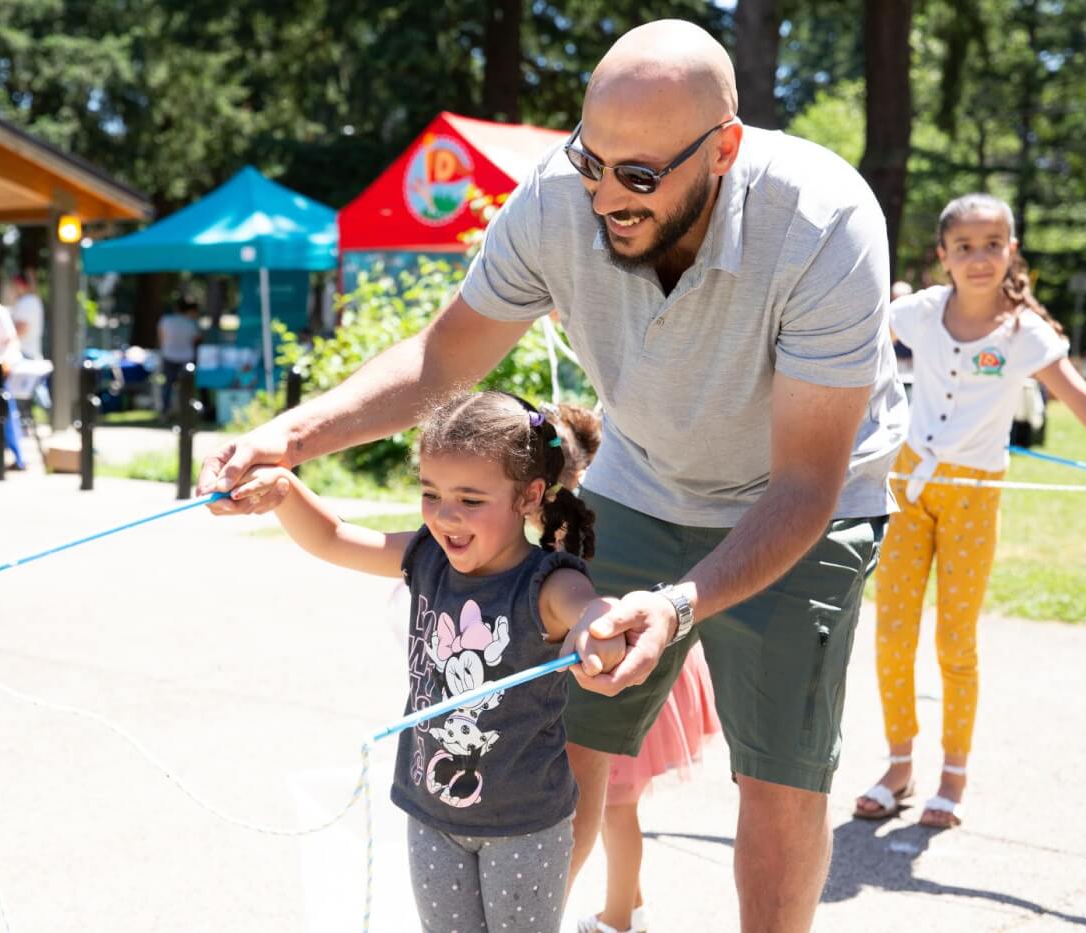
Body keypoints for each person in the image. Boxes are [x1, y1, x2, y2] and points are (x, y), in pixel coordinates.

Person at [199, 20, 906, 931]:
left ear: (724, 149)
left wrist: (681, 602)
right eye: (591, 160)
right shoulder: (553, 204)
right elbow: (445, 356)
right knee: (560, 743)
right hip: (640, 479)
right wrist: (291, 437)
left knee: (777, 776)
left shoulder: (822, 221)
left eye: (641, 175)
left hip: (798, 500)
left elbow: (806, 483)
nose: (608, 196)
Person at [233, 391, 624, 933]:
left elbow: (590, 611)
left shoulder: (548, 583)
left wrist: (599, 631)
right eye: (430, 493)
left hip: (524, 824)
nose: (446, 516)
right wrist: (284, 489)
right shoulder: (427, 559)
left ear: (529, 495)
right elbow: (334, 537)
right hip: (430, 812)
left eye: (470, 499)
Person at [853, 193, 1086, 829]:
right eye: (965, 247)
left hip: (976, 497)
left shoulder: (1026, 334)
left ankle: (953, 774)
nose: (980, 259)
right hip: (907, 488)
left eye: (993, 245)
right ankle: (898, 766)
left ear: (1012, 252)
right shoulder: (915, 313)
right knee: (891, 632)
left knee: (955, 641)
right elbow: (844, 338)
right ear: (942, 255)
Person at [543, 403, 720, 933]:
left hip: (629, 679)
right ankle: (626, 911)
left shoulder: (580, 525)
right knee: (617, 807)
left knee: (612, 807)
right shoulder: (583, 508)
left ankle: (620, 919)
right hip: (626, 671)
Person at [158, 295, 200, 413]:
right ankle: (186, 409)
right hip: (187, 357)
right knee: (187, 386)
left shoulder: (166, 320)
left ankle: (165, 410)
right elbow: (197, 340)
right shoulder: (191, 324)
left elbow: (161, 338)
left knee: (168, 386)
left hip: (169, 356)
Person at [9, 271, 45, 360]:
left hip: (25, 355)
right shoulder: (31, 300)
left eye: (14, 285)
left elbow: (22, 329)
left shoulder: (27, 301)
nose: (12, 289)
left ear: (20, 285)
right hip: (28, 354)